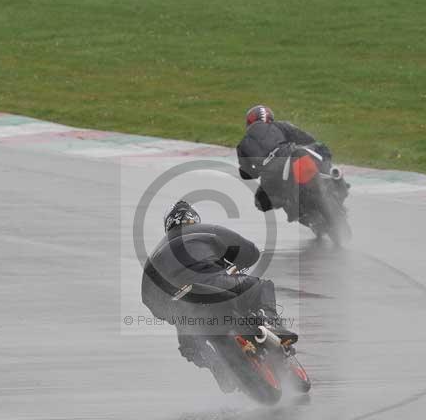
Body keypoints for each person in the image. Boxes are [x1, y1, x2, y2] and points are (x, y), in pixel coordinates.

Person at [140, 201, 297, 377]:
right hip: (216, 285)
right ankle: (270, 324)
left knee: (189, 348)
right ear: (193, 218)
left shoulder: (153, 258)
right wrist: (240, 263)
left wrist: (171, 314)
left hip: (184, 309)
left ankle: (217, 369)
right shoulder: (203, 230)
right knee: (261, 286)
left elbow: (148, 299)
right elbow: (249, 250)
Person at [236, 105, 338, 219]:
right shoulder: (280, 126)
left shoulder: (242, 145)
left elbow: (247, 172)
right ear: (269, 118)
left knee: (260, 201)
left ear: (249, 122)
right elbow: (307, 138)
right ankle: (334, 176)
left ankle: (294, 207)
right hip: (291, 157)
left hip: (271, 177)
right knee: (320, 148)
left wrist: (259, 170)